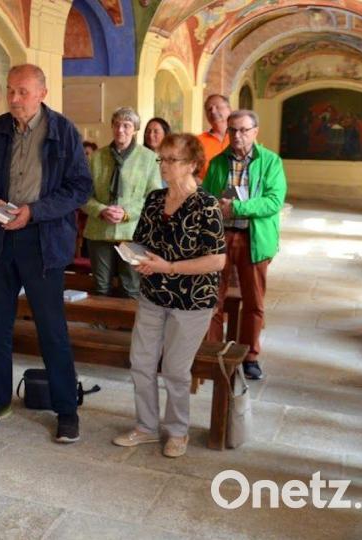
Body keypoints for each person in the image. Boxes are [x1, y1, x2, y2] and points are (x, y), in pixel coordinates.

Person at [0, 64, 92, 442]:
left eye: (22, 92)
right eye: (10, 90)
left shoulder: (63, 131)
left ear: (42, 93)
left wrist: (34, 212)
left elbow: (80, 188)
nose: (14, 98)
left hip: (43, 241)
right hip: (0, 240)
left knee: (51, 329)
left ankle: (66, 410)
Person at [112, 133, 225, 458]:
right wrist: (137, 258)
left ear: (192, 164)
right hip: (153, 295)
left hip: (192, 301)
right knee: (141, 362)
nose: (163, 165)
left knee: (175, 369)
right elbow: (141, 242)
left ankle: (177, 431)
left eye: (171, 160)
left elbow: (217, 260)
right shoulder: (154, 199)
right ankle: (146, 427)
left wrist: (169, 267)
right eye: (161, 159)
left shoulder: (206, 205)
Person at [203, 110, 287, 381]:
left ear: (255, 132)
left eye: (243, 130)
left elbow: (273, 201)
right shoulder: (218, 162)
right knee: (212, 298)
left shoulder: (270, 161)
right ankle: (214, 351)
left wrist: (238, 207)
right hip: (221, 236)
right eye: (232, 130)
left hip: (253, 237)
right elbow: (206, 197)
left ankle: (250, 356)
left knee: (253, 301)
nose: (237, 135)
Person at [82, 107, 163, 297]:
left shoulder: (149, 159)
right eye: (116, 125)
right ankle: (100, 317)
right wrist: (101, 210)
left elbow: (155, 198)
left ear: (135, 129)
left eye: (126, 126)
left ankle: (129, 319)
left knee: (131, 288)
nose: (120, 130)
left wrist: (127, 213)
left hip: (132, 232)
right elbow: (82, 195)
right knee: (100, 288)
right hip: (99, 231)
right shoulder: (96, 157)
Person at [197, 95, 231, 182]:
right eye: (209, 109)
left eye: (218, 107)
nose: (213, 111)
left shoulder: (241, 137)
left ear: (229, 110)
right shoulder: (197, 141)